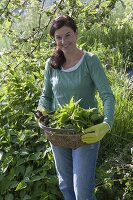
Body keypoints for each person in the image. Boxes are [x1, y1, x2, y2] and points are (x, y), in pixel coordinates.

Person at [36, 15, 115, 200]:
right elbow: (46, 97)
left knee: (82, 192)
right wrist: (41, 111)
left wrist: (106, 124)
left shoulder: (90, 61)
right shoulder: (52, 64)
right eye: (58, 37)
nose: (64, 41)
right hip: (58, 132)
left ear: (76, 34)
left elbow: (107, 95)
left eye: (68, 35)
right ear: (54, 39)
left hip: (85, 133)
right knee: (66, 186)